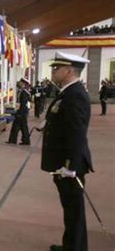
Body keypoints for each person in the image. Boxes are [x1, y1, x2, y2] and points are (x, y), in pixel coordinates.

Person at [41, 51, 94, 251]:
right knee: (70, 210)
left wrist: (70, 166)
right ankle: (71, 246)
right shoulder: (68, 92)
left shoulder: (75, 95)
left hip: (70, 166)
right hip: (64, 163)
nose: (53, 71)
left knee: (74, 210)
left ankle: (76, 248)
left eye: (57, 68)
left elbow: (77, 133)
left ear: (69, 71)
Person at [7, 77, 31, 145]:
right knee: (20, 126)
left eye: (20, 82)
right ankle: (17, 140)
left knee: (21, 126)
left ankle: (16, 140)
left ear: (23, 83)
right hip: (23, 111)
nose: (18, 83)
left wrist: (19, 112)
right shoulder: (24, 91)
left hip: (22, 112)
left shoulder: (24, 92)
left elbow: (23, 103)